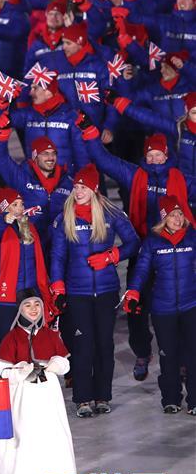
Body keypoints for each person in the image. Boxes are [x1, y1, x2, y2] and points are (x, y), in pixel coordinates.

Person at [82, 126, 195, 381]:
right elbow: (103, 160)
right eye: (150, 155)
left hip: (174, 255)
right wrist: (90, 133)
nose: (154, 159)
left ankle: (180, 360)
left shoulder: (182, 179)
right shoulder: (135, 174)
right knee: (137, 308)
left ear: (167, 156)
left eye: (159, 154)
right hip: (143, 251)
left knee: (178, 307)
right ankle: (142, 352)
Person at [49, 163, 139, 418]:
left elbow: (133, 242)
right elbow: (57, 256)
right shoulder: (63, 217)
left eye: (83, 187)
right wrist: (57, 286)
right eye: (76, 187)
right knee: (82, 345)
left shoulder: (111, 214)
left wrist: (112, 256)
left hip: (107, 290)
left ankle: (102, 396)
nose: (78, 191)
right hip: (77, 293)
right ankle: (82, 398)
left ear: (94, 189)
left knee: (104, 345)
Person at [0, 291, 76, 474]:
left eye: (37, 305)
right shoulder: (12, 337)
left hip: (47, 396)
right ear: (20, 309)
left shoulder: (50, 335)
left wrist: (56, 365)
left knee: (47, 441)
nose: (33, 309)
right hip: (22, 397)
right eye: (27, 305)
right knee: (23, 441)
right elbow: (3, 370)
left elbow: (65, 363)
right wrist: (21, 371)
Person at [124, 195, 196, 415]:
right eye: (172, 215)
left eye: (180, 214)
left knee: (193, 354)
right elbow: (142, 270)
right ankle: (171, 398)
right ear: (164, 218)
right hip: (162, 309)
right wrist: (133, 292)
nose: (177, 218)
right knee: (168, 354)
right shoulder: (153, 241)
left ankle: (194, 400)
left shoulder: (192, 238)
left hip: (190, 305)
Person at [0, 188, 53, 340]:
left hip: (31, 297)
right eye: (14, 204)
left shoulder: (30, 228)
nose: (20, 208)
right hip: (6, 300)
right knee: (9, 349)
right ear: (5, 208)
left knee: (33, 349)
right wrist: (3, 220)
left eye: (21, 204)